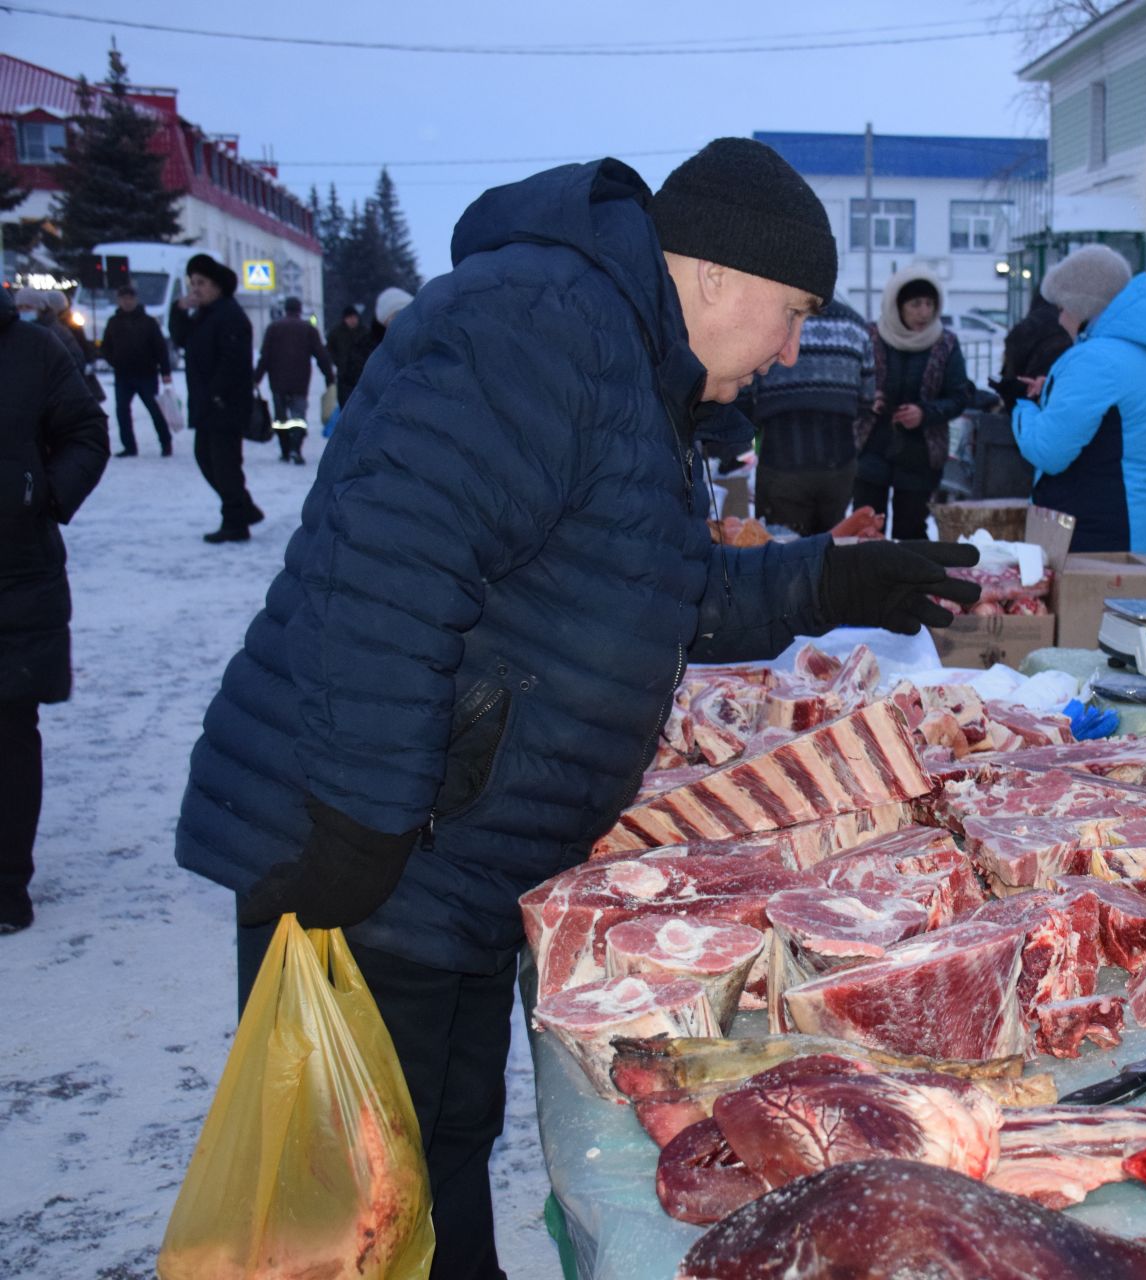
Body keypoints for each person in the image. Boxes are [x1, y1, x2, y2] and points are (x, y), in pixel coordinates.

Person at [175, 141, 980, 1279]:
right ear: (714, 278)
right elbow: (394, 563)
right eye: (792, 312)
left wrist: (831, 581)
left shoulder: (628, 369)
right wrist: (361, 815)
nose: (795, 346)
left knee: (439, 1151)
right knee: (354, 1206)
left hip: (445, 857)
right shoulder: (539, 326)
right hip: (374, 849)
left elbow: (653, 590)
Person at [0, 284, 111, 934]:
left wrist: (40, 495)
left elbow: (86, 433)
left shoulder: (34, 350)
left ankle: (7, 885)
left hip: (16, 572)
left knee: (9, 731)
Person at [1011, 244, 1146, 555]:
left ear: (1081, 305)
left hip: (1099, 538)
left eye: (1062, 306)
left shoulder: (1095, 360)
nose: (1060, 316)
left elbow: (1048, 450)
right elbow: (1119, 419)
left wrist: (1023, 407)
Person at [852, 268, 971, 540]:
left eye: (930, 304)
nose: (924, 313)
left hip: (921, 454)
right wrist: (869, 400)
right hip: (872, 447)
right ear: (897, 305)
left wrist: (925, 413)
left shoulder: (946, 343)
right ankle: (866, 582)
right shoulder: (870, 336)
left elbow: (960, 395)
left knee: (912, 531)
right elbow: (850, 383)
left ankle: (908, 583)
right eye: (915, 304)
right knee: (866, 529)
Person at [746, 296, 873, 535]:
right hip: (839, 461)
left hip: (782, 459)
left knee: (780, 553)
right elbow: (867, 401)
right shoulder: (855, 325)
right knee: (830, 553)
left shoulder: (771, 316)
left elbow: (744, 389)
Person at [170, 254, 261, 543]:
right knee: (206, 459)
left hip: (225, 404)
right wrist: (178, 310)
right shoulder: (205, 315)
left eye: (202, 283)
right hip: (208, 403)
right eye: (192, 283)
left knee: (224, 465)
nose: (195, 289)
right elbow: (181, 339)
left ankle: (236, 522)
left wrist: (216, 394)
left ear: (218, 286)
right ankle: (242, 509)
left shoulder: (229, 315)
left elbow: (233, 362)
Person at [255, 298, 335, 464]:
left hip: (277, 381)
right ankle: (296, 449)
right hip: (300, 381)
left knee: (281, 419)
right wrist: (329, 376)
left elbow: (265, 357)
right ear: (299, 310)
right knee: (298, 417)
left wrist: (256, 378)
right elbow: (321, 355)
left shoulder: (273, 328)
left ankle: (285, 450)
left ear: (285, 310)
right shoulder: (308, 329)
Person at [99, 284, 175, 457]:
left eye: (129, 298)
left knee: (154, 410)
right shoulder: (114, 322)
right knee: (122, 412)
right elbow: (105, 347)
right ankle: (129, 446)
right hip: (123, 375)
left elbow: (160, 348)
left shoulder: (148, 322)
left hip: (146, 374)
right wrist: (115, 361)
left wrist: (165, 371)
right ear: (119, 300)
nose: (126, 302)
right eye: (123, 298)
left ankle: (166, 442)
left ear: (135, 300)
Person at [990, 290, 1071, 408]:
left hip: (1026, 395)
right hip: (1059, 395)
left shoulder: (1025, 327)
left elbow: (1011, 368)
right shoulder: (1070, 326)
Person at [325, 305, 367, 408]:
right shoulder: (336, 333)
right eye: (350, 318)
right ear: (345, 319)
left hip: (362, 375)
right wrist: (337, 361)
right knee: (345, 405)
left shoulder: (365, 332)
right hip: (344, 376)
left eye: (354, 317)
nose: (352, 320)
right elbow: (329, 350)